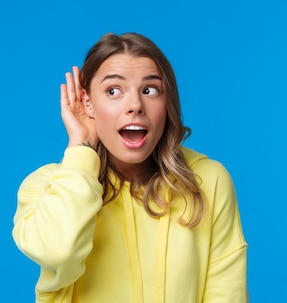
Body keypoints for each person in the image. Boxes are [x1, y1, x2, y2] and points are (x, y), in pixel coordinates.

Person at [12, 32, 248, 303]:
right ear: (88, 103)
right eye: (113, 91)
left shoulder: (208, 180)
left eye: (150, 90)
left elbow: (227, 294)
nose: (135, 105)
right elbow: (58, 251)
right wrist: (81, 147)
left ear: (166, 102)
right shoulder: (45, 186)